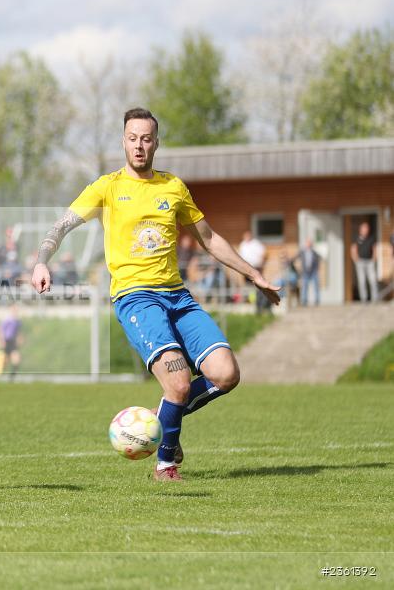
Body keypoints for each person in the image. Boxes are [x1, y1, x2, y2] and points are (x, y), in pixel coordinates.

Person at [31, 108, 280, 482]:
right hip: (136, 298)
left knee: (227, 374)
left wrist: (254, 274)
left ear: (156, 143)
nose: (139, 145)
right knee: (179, 384)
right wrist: (41, 261)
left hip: (178, 297)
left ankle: (165, 414)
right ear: (123, 141)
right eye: (133, 138)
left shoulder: (173, 188)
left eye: (146, 138)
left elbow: (209, 239)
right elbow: (61, 225)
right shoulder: (107, 187)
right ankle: (166, 464)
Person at [238, 230, 267, 313]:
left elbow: (263, 253)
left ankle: (257, 303)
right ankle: (250, 301)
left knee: (256, 286)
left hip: (255, 267)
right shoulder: (242, 245)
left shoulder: (256, 244)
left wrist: (261, 264)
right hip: (246, 269)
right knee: (248, 286)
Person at [351, 221, 378, 303]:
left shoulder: (371, 238)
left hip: (370, 262)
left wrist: (374, 258)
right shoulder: (356, 238)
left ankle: (375, 299)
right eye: (364, 228)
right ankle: (364, 299)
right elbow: (353, 249)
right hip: (360, 262)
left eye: (367, 228)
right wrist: (355, 259)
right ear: (361, 229)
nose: (366, 230)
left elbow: (374, 249)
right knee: (361, 281)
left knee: (372, 280)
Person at [0, 304, 23, 381]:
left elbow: (18, 331)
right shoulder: (7, 319)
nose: (15, 311)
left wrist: (20, 338)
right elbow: (0, 330)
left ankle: (12, 377)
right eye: (14, 309)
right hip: (7, 341)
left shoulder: (18, 321)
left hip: (13, 341)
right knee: (5, 361)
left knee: (17, 359)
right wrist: (1, 340)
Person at [295, 238, 321, 306]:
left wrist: (317, 269)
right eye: (308, 243)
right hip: (305, 271)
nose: (309, 244)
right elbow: (295, 258)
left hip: (313, 271)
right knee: (304, 287)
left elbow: (318, 261)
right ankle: (304, 301)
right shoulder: (302, 252)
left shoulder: (314, 252)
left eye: (310, 243)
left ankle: (317, 300)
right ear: (306, 244)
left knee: (316, 286)